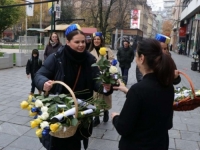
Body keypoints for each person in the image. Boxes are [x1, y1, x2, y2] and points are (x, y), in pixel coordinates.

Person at [34, 24, 112, 150]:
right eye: (77, 42)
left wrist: (105, 87)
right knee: (58, 142)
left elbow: (96, 80)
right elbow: (40, 74)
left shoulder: (89, 59)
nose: (81, 45)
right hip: (60, 109)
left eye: (83, 41)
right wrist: (44, 83)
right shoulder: (56, 58)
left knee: (75, 141)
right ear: (68, 42)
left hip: (81, 110)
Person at [112, 38, 177, 150]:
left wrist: (115, 117)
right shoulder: (168, 86)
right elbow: (167, 123)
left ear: (141, 58)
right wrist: (127, 90)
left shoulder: (138, 90)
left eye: (136, 55)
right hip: (160, 144)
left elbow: (123, 127)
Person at [88, 32, 114, 127]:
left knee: (105, 94)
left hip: (105, 75)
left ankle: (106, 111)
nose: (96, 41)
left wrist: (106, 65)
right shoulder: (90, 51)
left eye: (98, 39)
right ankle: (97, 117)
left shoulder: (107, 50)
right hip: (95, 76)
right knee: (96, 95)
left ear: (101, 40)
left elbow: (112, 60)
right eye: (95, 39)